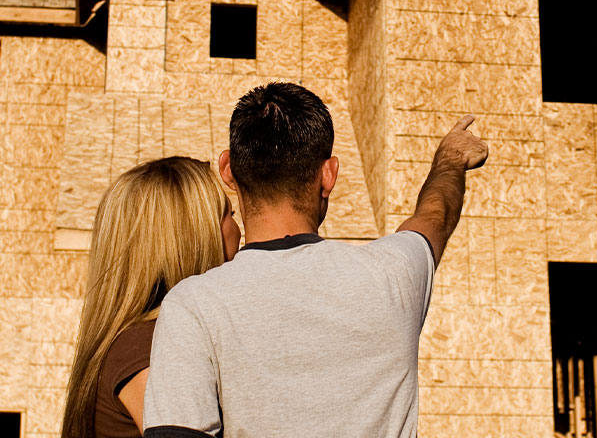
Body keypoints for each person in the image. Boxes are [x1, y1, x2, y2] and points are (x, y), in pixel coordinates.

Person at [142, 82, 487, 438]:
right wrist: (450, 159)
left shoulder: (192, 306)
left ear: (227, 169)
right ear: (329, 175)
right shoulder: (395, 274)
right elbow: (435, 216)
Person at [62, 157, 243, 438]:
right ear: (195, 236)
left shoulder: (141, 341)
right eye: (229, 214)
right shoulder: (148, 349)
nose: (240, 230)